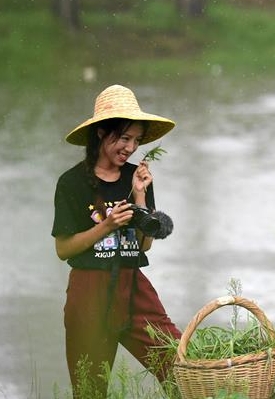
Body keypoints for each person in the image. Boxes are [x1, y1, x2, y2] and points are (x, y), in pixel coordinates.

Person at [51, 84, 182, 397]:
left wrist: (140, 196)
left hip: (132, 285)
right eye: (124, 138)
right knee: (90, 389)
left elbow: (144, 245)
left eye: (136, 140)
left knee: (179, 366)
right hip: (89, 291)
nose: (131, 147)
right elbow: (63, 249)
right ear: (101, 133)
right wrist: (107, 226)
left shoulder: (137, 178)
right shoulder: (72, 183)